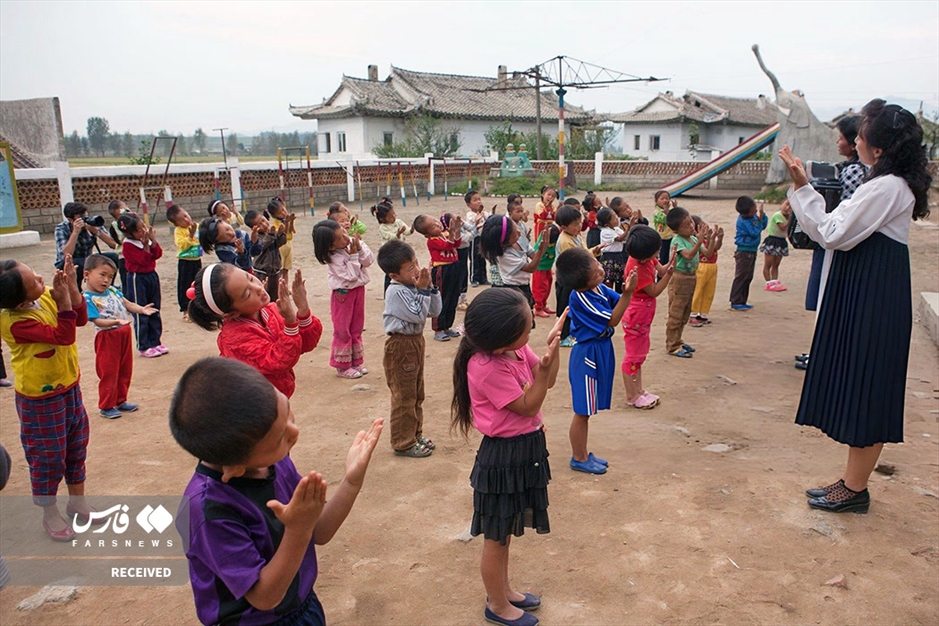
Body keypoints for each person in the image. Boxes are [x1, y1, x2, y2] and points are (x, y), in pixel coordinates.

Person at [779, 99, 931, 514]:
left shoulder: (885, 187)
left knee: (868, 388)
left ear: (877, 149)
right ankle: (852, 482)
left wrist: (802, 187)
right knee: (864, 384)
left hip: (873, 296)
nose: (855, 139)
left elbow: (833, 231)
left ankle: (855, 489)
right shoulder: (887, 183)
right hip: (872, 291)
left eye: (860, 135)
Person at [171, 356, 383, 626]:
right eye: (280, 437)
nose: (294, 431)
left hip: (302, 608)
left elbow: (318, 531)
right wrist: (297, 530)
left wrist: (351, 482)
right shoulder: (208, 511)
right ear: (235, 468)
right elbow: (264, 596)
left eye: (287, 412)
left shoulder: (272, 463)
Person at [450, 288, 565, 626]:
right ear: (501, 341)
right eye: (528, 327)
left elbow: (549, 380)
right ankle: (497, 605)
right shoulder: (486, 367)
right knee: (496, 537)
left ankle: (504, 591)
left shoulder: (514, 351)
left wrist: (551, 352)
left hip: (523, 451)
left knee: (506, 534)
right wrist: (542, 374)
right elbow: (530, 404)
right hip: (503, 458)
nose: (531, 330)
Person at [0, 256, 95, 542]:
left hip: (68, 387)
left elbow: (80, 319)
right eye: (34, 282)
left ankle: (77, 501)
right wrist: (63, 299)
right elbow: (64, 336)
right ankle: (49, 512)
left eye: (36, 274)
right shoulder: (15, 321)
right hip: (39, 399)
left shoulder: (45, 299)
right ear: (19, 303)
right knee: (48, 457)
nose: (42, 280)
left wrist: (72, 289)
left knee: (77, 445)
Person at [555, 247, 638, 474]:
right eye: (596, 272)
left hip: (600, 349)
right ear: (582, 282)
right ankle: (578, 457)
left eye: (598, 265)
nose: (601, 271)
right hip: (587, 354)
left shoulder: (597, 288)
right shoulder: (581, 297)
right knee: (582, 410)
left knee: (588, 410)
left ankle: (582, 454)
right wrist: (628, 293)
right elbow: (612, 320)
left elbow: (617, 300)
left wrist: (626, 291)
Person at [797, 115, 869, 370]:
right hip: (843, 243)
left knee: (827, 301)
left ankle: (822, 354)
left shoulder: (852, 172)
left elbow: (842, 213)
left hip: (834, 241)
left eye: (841, 138)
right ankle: (821, 352)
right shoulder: (864, 171)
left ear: (853, 144)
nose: (837, 143)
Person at [188, 263, 322, 398]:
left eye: (250, 278)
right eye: (247, 293)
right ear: (232, 314)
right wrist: (291, 323)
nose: (258, 288)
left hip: (275, 396)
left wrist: (303, 310)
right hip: (254, 404)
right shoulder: (235, 339)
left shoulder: (269, 310)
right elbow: (279, 361)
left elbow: (302, 345)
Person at [377, 239, 442, 458]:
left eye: (416, 263)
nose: (416, 270)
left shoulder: (414, 286)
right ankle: (403, 442)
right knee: (404, 395)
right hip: (401, 345)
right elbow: (417, 314)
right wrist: (422, 291)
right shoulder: (396, 291)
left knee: (416, 392)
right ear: (394, 276)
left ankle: (415, 433)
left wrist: (431, 288)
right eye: (410, 268)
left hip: (416, 341)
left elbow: (434, 311)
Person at [82, 254, 157, 419]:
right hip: (107, 336)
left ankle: (121, 400)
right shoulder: (87, 298)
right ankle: (106, 405)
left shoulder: (113, 290)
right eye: (102, 274)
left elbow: (127, 303)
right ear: (87, 275)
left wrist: (141, 310)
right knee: (109, 371)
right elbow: (97, 320)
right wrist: (114, 321)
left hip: (123, 332)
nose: (106, 280)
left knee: (125, 368)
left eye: (110, 276)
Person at [622, 226, 675, 409]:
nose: (658, 253)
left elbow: (660, 270)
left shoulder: (646, 259)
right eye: (657, 251)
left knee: (640, 354)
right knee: (633, 356)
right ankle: (632, 395)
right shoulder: (637, 266)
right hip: (637, 313)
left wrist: (670, 263)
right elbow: (654, 290)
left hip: (644, 314)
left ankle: (639, 391)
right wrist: (669, 275)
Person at [313, 219, 373, 379]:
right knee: (343, 329)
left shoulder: (353, 244)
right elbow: (351, 275)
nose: (346, 238)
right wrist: (353, 256)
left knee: (357, 326)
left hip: (358, 291)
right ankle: (342, 366)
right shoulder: (333, 258)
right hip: (343, 294)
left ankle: (355, 362)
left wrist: (359, 249)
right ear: (331, 246)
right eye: (340, 238)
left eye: (344, 233)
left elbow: (368, 261)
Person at [479, 214, 548, 326]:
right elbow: (531, 268)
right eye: (515, 234)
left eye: (517, 228)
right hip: (513, 289)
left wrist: (543, 248)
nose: (519, 233)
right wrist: (540, 251)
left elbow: (533, 256)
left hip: (524, 286)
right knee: (518, 322)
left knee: (527, 320)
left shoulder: (520, 239)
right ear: (504, 242)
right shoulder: (504, 256)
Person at [665, 207, 715, 358]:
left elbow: (708, 253)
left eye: (691, 222)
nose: (692, 226)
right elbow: (688, 255)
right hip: (679, 278)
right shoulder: (677, 241)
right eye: (686, 225)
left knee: (685, 312)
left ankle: (678, 340)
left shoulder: (693, 238)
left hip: (691, 277)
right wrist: (700, 240)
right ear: (676, 230)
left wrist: (712, 239)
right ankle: (672, 345)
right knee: (676, 312)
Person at [554, 205, 605, 347]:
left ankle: (572, 332)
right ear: (564, 227)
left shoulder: (575, 236)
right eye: (575, 224)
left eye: (579, 222)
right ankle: (563, 336)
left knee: (576, 306)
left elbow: (583, 252)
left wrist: (594, 250)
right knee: (566, 309)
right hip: (567, 280)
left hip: (575, 277)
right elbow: (576, 259)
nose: (579, 226)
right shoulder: (565, 240)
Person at [117, 212, 166, 358]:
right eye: (138, 230)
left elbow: (157, 254)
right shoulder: (128, 245)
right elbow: (144, 260)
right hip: (137, 278)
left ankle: (155, 341)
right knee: (142, 310)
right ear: (129, 233)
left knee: (155, 308)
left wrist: (153, 241)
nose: (143, 231)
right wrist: (145, 245)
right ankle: (144, 345)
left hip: (151, 276)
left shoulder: (145, 239)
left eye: (143, 227)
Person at [414, 213, 463, 342]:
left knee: (453, 297)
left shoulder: (445, 234)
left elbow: (456, 244)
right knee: (442, 298)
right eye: (433, 226)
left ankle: (447, 326)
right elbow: (447, 246)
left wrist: (456, 231)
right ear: (427, 234)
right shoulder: (432, 241)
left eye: (436, 221)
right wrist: (452, 233)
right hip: (442, 270)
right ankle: (438, 329)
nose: (437, 224)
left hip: (454, 266)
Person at [54, 201, 119, 284]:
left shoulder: (91, 223)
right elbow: (67, 253)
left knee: (113, 257)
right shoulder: (62, 228)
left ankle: (108, 286)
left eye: (85, 215)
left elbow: (113, 244)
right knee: (79, 263)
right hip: (67, 263)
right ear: (70, 219)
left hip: (87, 259)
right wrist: (75, 232)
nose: (85, 219)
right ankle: (76, 290)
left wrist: (95, 231)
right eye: (81, 217)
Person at [729, 196, 767, 311]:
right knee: (741, 276)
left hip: (752, 250)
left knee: (748, 276)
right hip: (744, 251)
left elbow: (763, 226)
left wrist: (762, 217)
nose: (755, 211)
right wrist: (759, 220)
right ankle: (735, 300)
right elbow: (755, 232)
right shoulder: (743, 220)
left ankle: (742, 300)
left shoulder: (752, 217)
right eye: (753, 210)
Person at [166, 204, 203, 322]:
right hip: (185, 262)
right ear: (176, 224)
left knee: (197, 285)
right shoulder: (179, 231)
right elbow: (181, 245)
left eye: (186, 216)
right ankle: (186, 310)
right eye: (181, 220)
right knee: (185, 286)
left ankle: (198, 310)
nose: (186, 220)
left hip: (197, 260)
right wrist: (190, 236)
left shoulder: (195, 226)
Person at [244, 210, 287, 304]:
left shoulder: (271, 231)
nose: (264, 224)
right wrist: (271, 235)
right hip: (262, 272)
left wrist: (280, 234)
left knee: (275, 295)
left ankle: (276, 312)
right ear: (254, 228)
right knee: (264, 295)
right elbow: (262, 246)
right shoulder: (256, 238)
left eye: (263, 220)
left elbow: (281, 243)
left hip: (275, 270)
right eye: (259, 224)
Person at [689, 216, 724, 327]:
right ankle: (693, 314)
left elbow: (716, 248)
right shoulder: (696, 241)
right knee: (698, 291)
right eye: (701, 225)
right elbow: (707, 251)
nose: (705, 226)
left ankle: (703, 313)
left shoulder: (707, 237)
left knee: (709, 292)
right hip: (702, 266)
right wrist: (710, 239)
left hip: (712, 267)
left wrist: (719, 238)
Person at [372, 198, 412, 294]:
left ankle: (401, 291)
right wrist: (398, 234)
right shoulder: (383, 228)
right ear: (382, 219)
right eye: (390, 216)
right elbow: (390, 238)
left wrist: (412, 229)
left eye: (394, 213)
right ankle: (388, 293)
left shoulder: (398, 222)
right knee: (389, 274)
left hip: (399, 251)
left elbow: (406, 231)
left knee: (400, 271)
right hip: (389, 254)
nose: (394, 216)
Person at [760, 200, 792, 292]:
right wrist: (791, 218)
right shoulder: (777, 215)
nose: (787, 208)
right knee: (768, 264)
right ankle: (768, 283)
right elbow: (782, 227)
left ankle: (774, 281)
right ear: (781, 204)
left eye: (790, 207)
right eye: (786, 205)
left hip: (781, 241)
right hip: (772, 240)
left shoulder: (789, 217)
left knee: (776, 264)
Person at [598, 207, 629, 293]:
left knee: (620, 280)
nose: (617, 219)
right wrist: (629, 228)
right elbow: (620, 239)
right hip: (609, 258)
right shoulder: (605, 232)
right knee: (608, 281)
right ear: (607, 224)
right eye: (614, 218)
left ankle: (619, 300)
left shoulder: (616, 229)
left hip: (619, 257)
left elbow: (625, 237)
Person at [531, 225, 559, 318]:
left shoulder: (555, 241)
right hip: (539, 268)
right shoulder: (542, 242)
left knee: (547, 287)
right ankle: (538, 308)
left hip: (548, 268)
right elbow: (535, 251)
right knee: (540, 288)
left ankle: (543, 305)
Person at [267, 197, 297, 283]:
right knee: (280, 271)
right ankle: (280, 288)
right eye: (280, 213)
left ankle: (286, 287)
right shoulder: (276, 223)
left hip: (288, 246)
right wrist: (287, 222)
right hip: (280, 248)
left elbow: (291, 231)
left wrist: (291, 222)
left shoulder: (286, 219)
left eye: (283, 210)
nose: (283, 213)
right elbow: (283, 234)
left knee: (286, 269)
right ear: (274, 216)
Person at [465, 190, 491, 288]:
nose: (478, 202)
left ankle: (483, 278)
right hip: (474, 238)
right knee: (474, 258)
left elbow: (489, 217)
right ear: (469, 204)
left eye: (479, 199)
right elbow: (476, 221)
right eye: (475, 200)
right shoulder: (470, 214)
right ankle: (474, 278)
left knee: (482, 258)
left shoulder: (483, 213)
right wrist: (481, 216)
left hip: (482, 238)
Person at [107, 200, 129, 290]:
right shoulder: (117, 226)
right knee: (127, 283)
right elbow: (122, 239)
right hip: (124, 257)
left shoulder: (127, 222)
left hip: (126, 257)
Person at [651, 190, 676, 266]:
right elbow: (664, 219)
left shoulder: (669, 210)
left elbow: (675, 217)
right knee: (662, 256)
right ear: (656, 201)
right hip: (662, 238)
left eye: (667, 198)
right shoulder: (656, 212)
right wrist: (665, 211)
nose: (665, 200)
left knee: (670, 255)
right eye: (662, 198)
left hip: (670, 236)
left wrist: (675, 208)